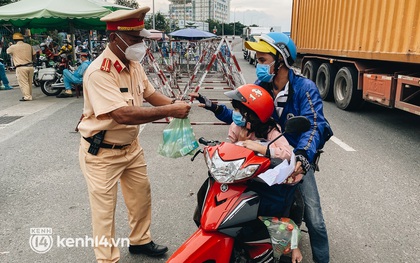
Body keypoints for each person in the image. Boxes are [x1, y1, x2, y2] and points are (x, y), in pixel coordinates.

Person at [191, 32, 333, 263]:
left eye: (263, 59)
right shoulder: (261, 86)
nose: (258, 64)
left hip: (292, 160)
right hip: (259, 156)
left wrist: (303, 157)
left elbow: (314, 125)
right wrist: (215, 108)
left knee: (315, 218)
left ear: (281, 61)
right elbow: (245, 116)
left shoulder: (304, 88)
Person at [77, 7, 191, 263]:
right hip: (102, 152)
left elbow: (150, 95)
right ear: (114, 38)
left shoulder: (134, 64)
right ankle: (107, 259)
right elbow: (122, 114)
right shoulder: (100, 72)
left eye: (141, 38)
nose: (140, 44)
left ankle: (140, 241)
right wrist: (171, 110)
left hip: (131, 147)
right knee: (104, 213)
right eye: (135, 39)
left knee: (141, 196)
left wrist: (176, 105)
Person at [224, 83, 302, 263]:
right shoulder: (236, 127)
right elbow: (227, 146)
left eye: (239, 110)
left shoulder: (270, 130)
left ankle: (286, 246)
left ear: (253, 115)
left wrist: (262, 148)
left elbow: (287, 153)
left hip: (264, 180)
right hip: (239, 175)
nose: (235, 113)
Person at [6, 32, 35, 101]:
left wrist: (10, 45)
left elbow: (8, 51)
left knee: (24, 83)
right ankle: (29, 95)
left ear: (14, 40)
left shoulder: (13, 47)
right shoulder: (29, 46)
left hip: (21, 67)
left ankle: (27, 97)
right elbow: (34, 55)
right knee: (29, 82)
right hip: (30, 66)